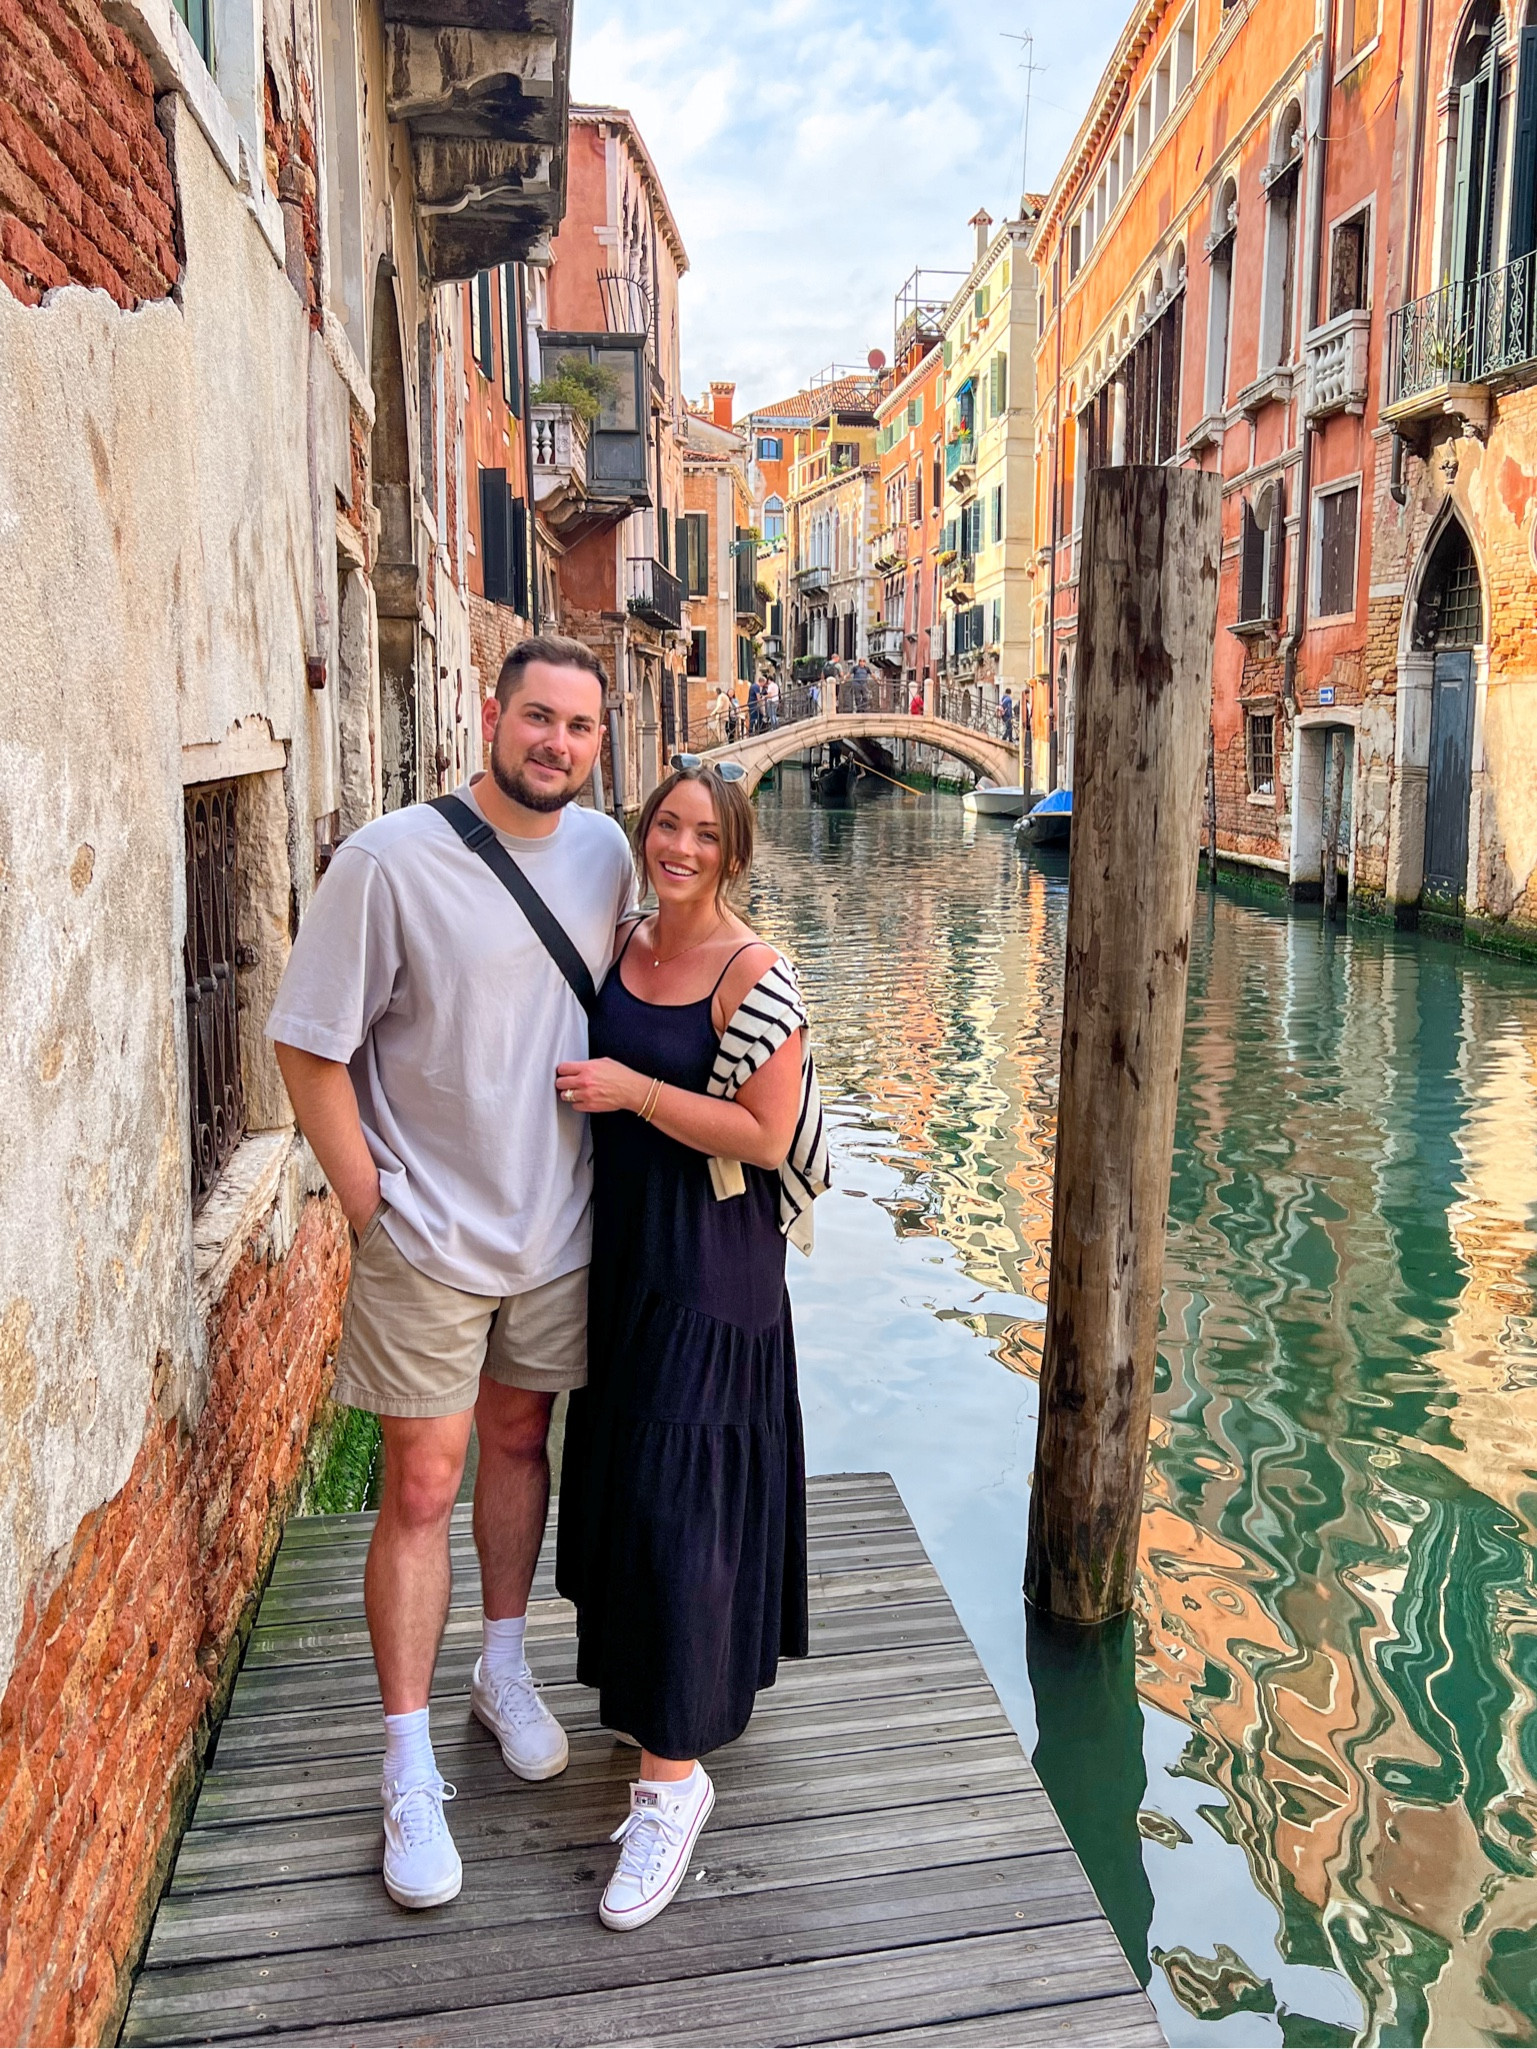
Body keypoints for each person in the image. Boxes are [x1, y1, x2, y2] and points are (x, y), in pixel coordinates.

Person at [267, 634, 634, 1914]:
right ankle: (406, 1761)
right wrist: (373, 1209)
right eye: (539, 719)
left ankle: (502, 1665)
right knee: (421, 1484)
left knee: (521, 1443)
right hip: (426, 1237)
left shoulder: (608, 855)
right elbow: (308, 1049)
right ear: (492, 716)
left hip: (559, 1228)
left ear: (600, 741)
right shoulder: (387, 862)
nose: (558, 746)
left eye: (581, 729)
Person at [554, 763, 824, 1932]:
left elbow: (768, 1136)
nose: (679, 846)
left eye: (702, 834)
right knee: (624, 1485)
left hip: (713, 1270)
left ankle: (674, 1784)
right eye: (665, 824)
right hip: (623, 1261)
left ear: (732, 851)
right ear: (641, 835)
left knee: (677, 1505)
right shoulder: (622, 941)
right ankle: (662, 1694)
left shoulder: (753, 975)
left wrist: (629, 1088)